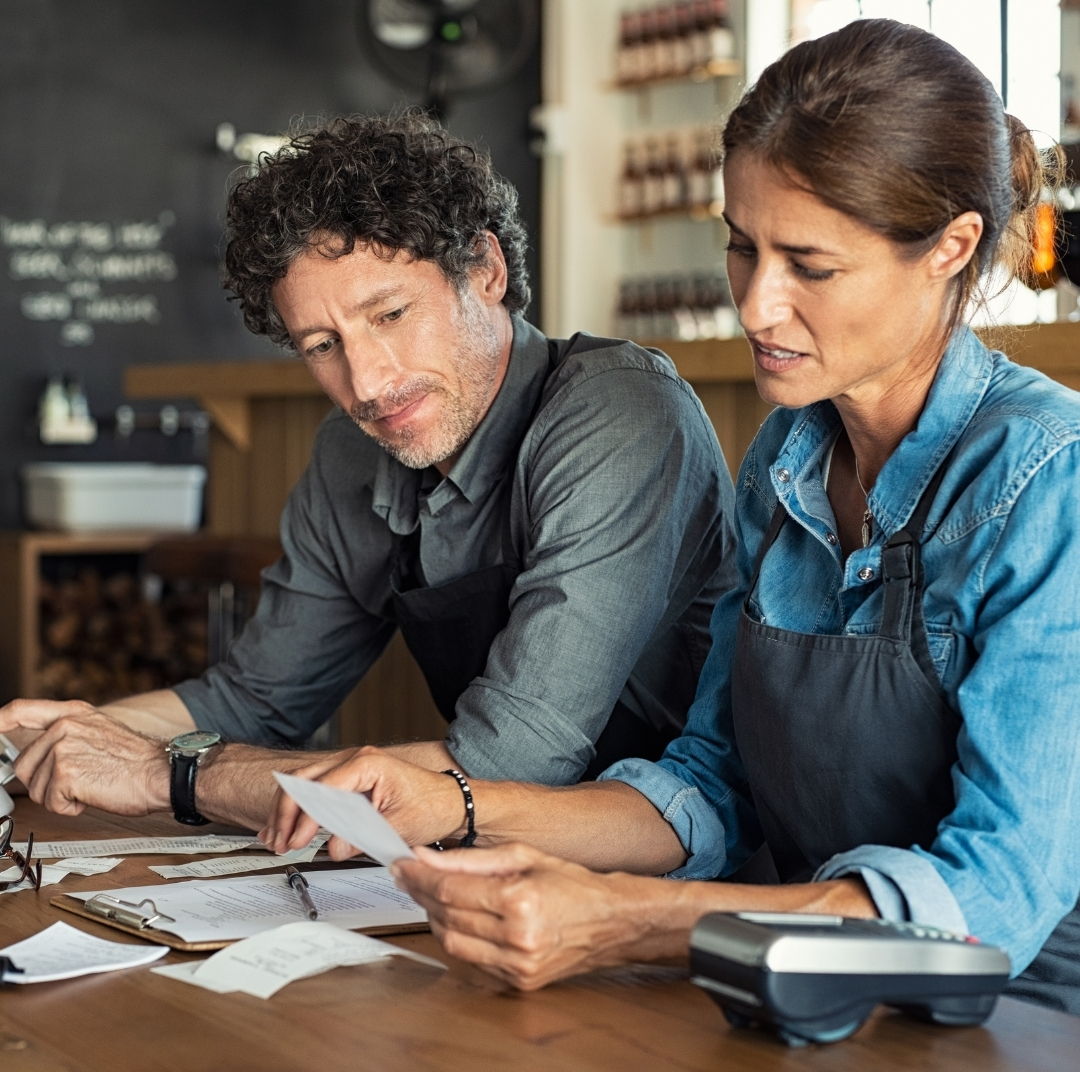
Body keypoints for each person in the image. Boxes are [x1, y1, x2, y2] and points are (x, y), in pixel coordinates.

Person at [264, 21, 1080, 1014]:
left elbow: (997, 899)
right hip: (801, 983)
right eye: (742, 247)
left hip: (1024, 1015)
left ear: (950, 248)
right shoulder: (787, 460)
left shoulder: (1049, 481)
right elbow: (712, 784)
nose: (756, 304)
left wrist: (626, 923)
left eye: (809, 266)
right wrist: (455, 806)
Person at [0, 114, 735, 825]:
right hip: (497, 871)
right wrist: (51, 741)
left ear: (484, 269)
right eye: (322, 345)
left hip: (689, 876)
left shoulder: (620, 414)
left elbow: (512, 761)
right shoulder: (352, 452)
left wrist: (169, 775)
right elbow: (256, 699)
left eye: (389, 315)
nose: (369, 383)